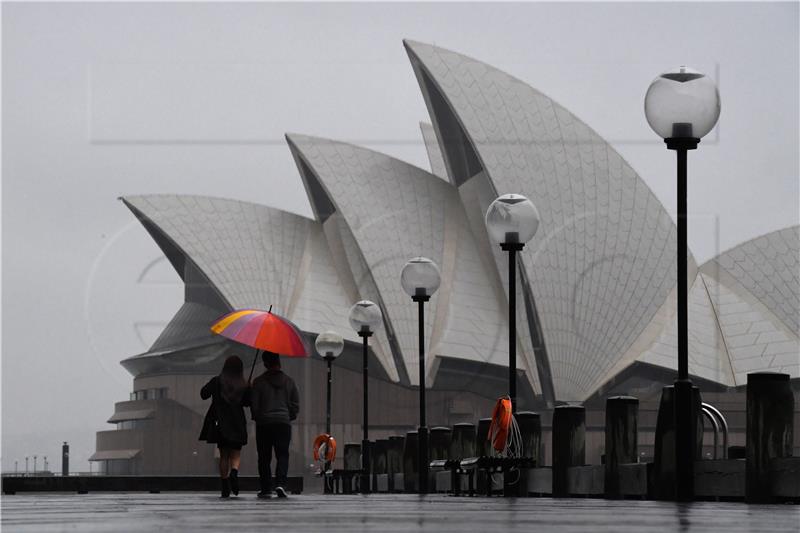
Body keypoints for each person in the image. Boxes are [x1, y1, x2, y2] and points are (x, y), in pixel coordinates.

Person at [199, 355, 251, 498]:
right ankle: (234, 471)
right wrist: (248, 388)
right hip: (237, 422)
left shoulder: (217, 381)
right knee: (235, 453)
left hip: (220, 422)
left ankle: (224, 486)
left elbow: (203, 394)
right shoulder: (243, 384)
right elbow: (247, 402)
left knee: (223, 455)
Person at [250, 351, 300, 499]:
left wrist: (258, 417)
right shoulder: (290, 382)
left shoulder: (258, 382)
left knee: (264, 457)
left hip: (264, 424)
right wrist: (288, 416)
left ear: (265, 363)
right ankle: (281, 484)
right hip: (283, 423)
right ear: (279, 362)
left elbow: (254, 404)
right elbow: (295, 404)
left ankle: (266, 488)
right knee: (282, 454)